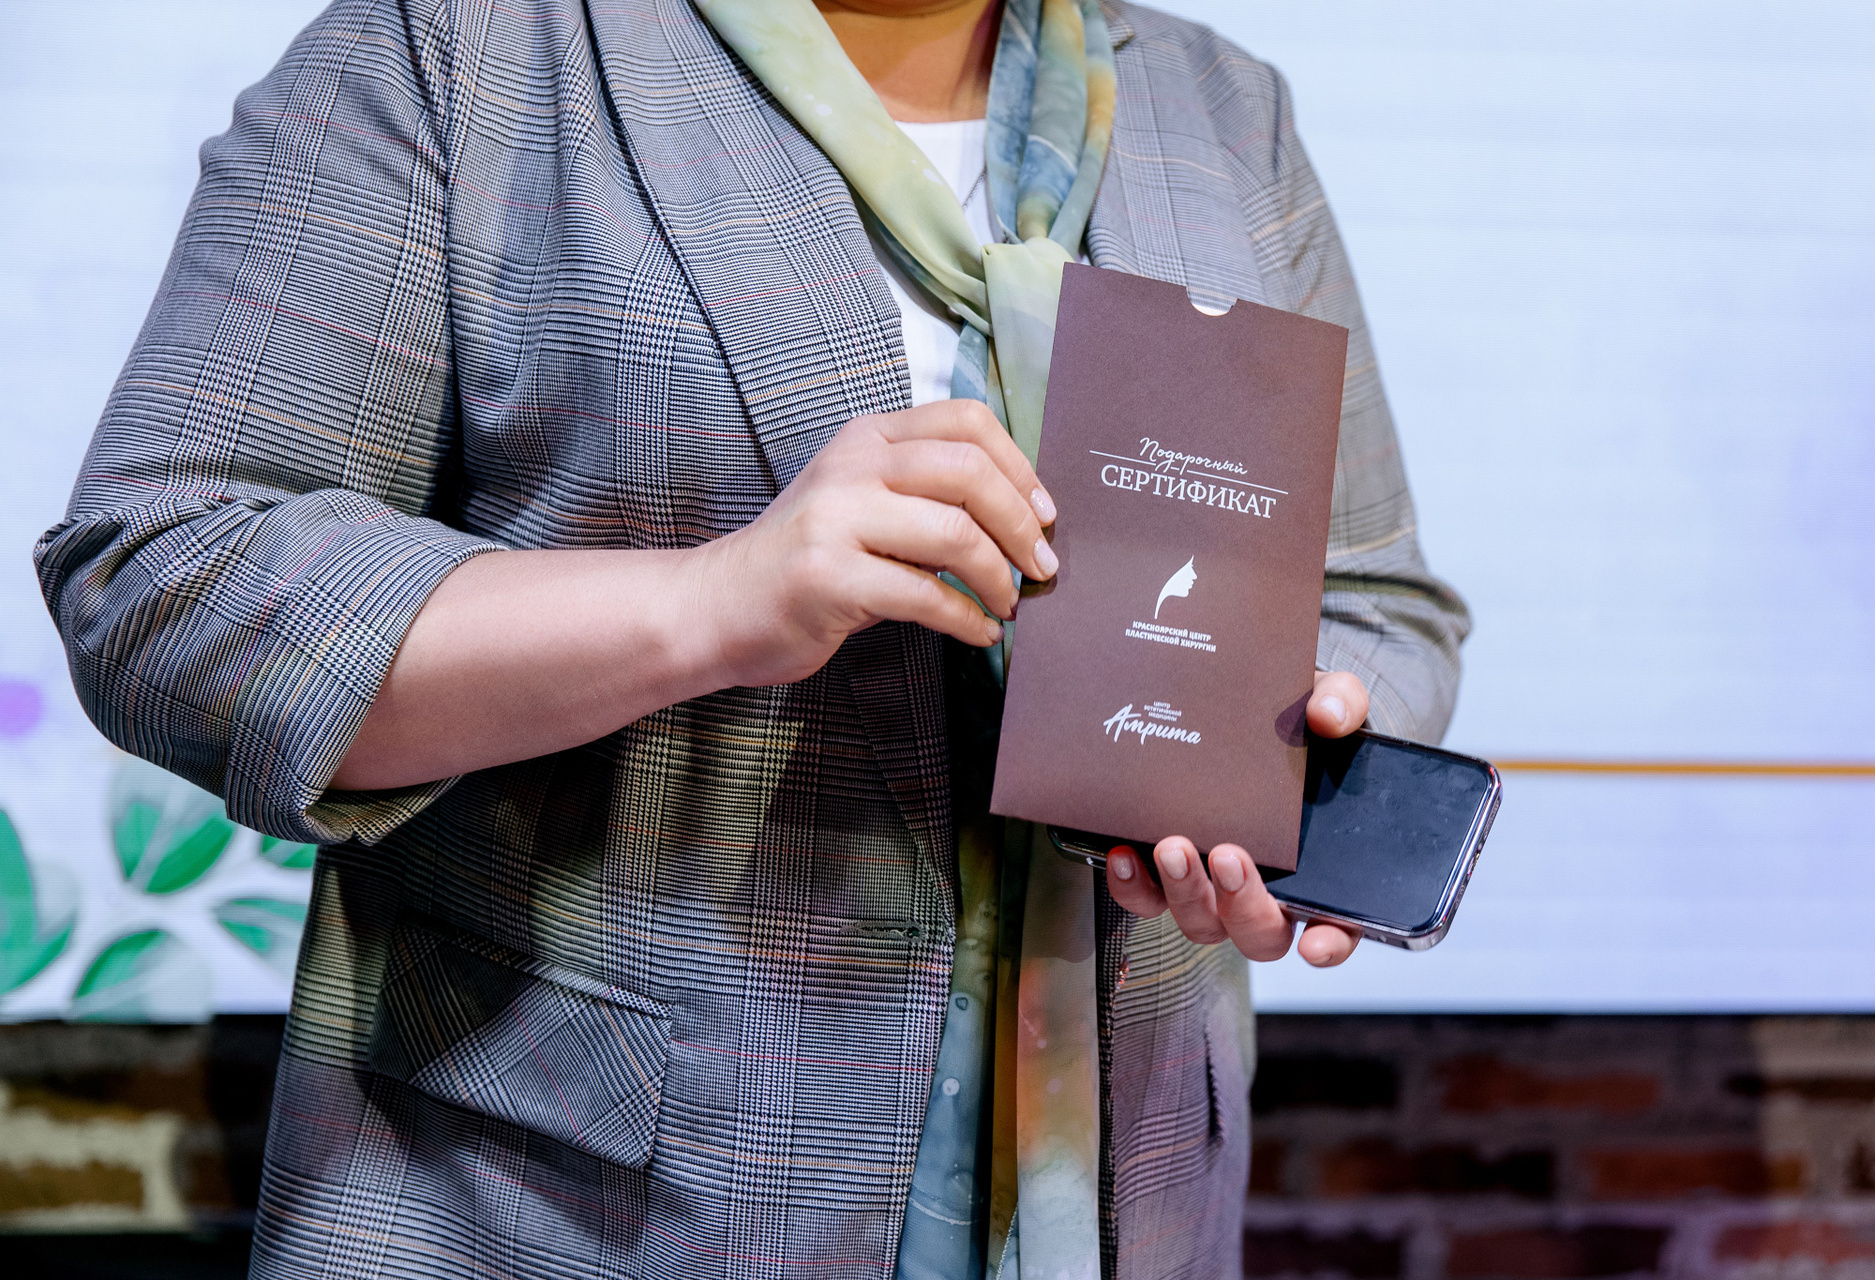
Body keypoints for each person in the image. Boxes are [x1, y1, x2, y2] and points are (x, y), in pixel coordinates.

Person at [34, 0, 1468, 1277]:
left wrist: (1290, 756)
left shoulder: (1219, 111)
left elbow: (1377, 602)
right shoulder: (463, 49)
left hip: (1120, 1194)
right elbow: (165, 574)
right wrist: (712, 603)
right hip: (571, 1203)